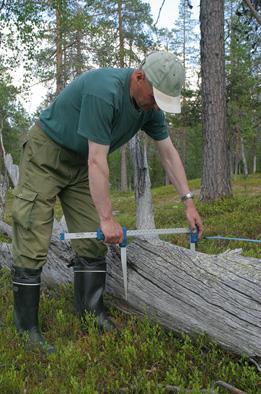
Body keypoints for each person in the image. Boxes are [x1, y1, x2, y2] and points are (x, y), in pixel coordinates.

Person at [11, 51, 203, 352]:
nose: (155, 105)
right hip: (46, 152)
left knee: (93, 240)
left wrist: (188, 202)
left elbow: (168, 152)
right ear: (139, 77)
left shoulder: (150, 108)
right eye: (154, 97)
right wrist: (107, 217)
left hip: (81, 162)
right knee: (32, 230)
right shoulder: (105, 92)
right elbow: (98, 161)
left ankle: (91, 313)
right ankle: (27, 329)